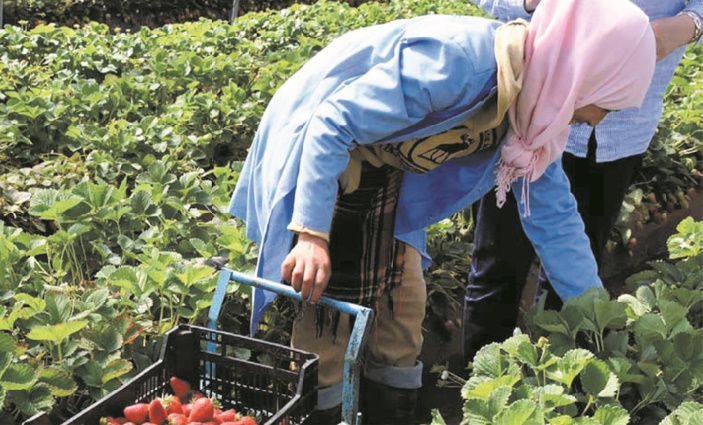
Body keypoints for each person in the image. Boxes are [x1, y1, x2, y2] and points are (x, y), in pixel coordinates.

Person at [228, 0, 655, 423]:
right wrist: (312, 236)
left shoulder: (532, 122)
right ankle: (321, 411)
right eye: (607, 103)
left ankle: (389, 414)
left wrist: (602, 318)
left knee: (404, 307)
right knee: (330, 314)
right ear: (581, 70)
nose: (598, 120)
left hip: (387, 177)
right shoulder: (459, 65)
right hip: (329, 163)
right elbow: (331, 123)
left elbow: (556, 222)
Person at [463, 0, 703, 368]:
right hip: (535, 109)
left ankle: (562, 384)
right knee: (498, 264)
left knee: (577, 259)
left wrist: (688, 25)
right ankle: (482, 381)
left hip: (626, 125)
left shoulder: (612, 114)